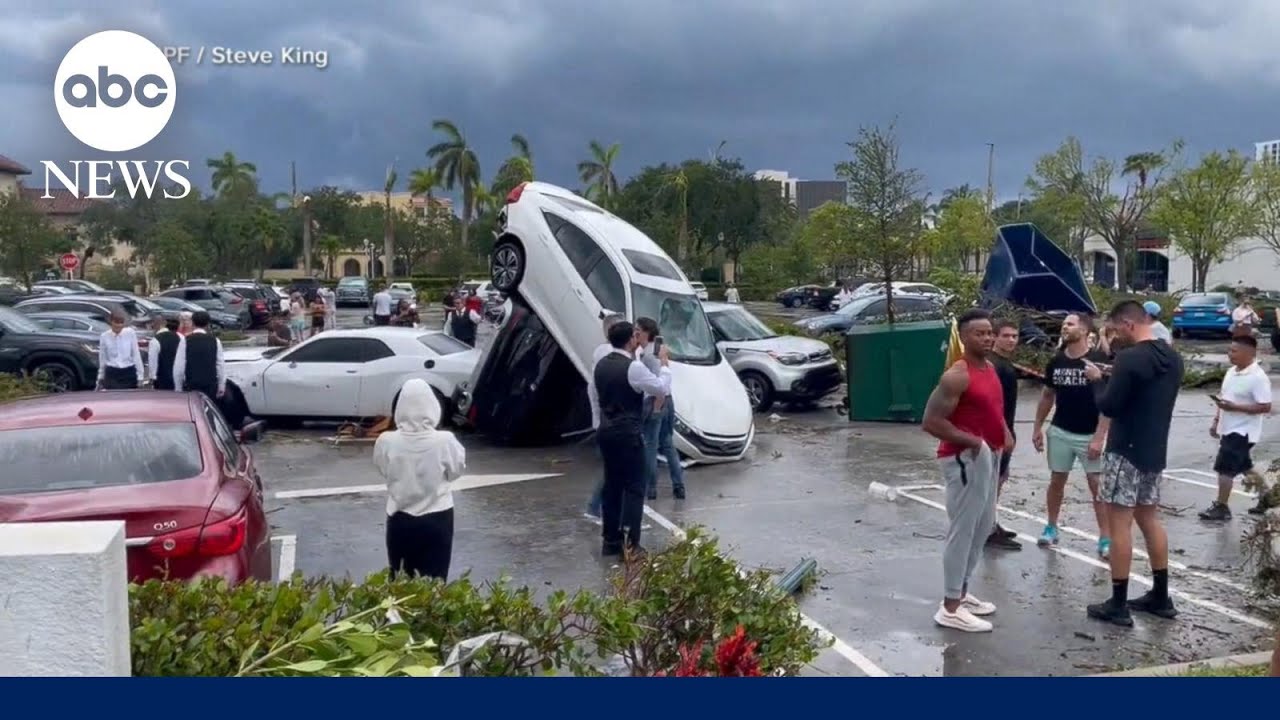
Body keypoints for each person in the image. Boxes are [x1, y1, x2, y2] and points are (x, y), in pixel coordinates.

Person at [1082, 300, 1183, 627]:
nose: (1114, 336)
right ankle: (1160, 594)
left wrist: (1098, 379)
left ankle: (1118, 603)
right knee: (1149, 519)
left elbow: (1109, 405)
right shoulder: (1172, 357)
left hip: (1125, 449)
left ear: (1128, 324)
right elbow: (1146, 391)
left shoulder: (1129, 358)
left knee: (1119, 524)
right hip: (1155, 450)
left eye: (1114, 330)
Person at [921, 308, 1010, 633]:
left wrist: (1004, 434)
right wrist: (973, 442)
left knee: (983, 527)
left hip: (989, 454)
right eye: (979, 333)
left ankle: (961, 590)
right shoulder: (957, 375)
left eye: (989, 332)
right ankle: (949, 607)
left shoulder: (989, 368)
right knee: (963, 531)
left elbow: (992, 408)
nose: (987, 338)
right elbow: (931, 422)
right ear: (964, 337)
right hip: (964, 459)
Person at [1031, 313, 1112, 557]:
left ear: (1086, 330)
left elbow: (1108, 404)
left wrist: (1099, 437)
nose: (1065, 327)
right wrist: (1037, 427)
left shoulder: (1099, 361)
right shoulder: (1056, 361)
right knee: (1057, 480)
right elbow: (1047, 395)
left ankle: (1106, 537)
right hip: (1060, 431)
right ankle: (1051, 527)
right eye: (1064, 324)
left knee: (1097, 485)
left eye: (1070, 324)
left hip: (1089, 433)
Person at [375, 378, 465, 581]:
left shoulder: (386, 441)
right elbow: (456, 471)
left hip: (399, 518)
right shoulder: (445, 441)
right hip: (438, 517)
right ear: (433, 406)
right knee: (436, 581)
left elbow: (383, 468)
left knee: (400, 581)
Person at [595, 320, 671, 557]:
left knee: (612, 485)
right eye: (635, 336)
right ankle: (631, 542)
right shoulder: (633, 368)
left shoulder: (601, 364)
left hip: (606, 430)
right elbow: (661, 389)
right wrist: (665, 364)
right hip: (627, 431)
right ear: (630, 340)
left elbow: (593, 394)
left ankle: (610, 541)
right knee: (635, 487)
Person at [1201, 335, 1273, 520]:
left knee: (1224, 468)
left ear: (1248, 353)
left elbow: (1265, 406)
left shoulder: (1258, 377)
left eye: (1234, 351)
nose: (1229, 354)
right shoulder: (1231, 372)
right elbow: (1224, 397)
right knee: (1244, 466)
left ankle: (1221, 507)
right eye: (1229, 350)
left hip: (1244, 431)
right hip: (1228, 426)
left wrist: (1235, 408)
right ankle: (1269, 497)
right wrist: (1217, 421)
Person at [635, 317, 686, 500]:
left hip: (655, 400)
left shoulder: (647, 356)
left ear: (647, 332)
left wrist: (656, 407)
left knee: (651, 445)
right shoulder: (656, 354)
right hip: (668, 400)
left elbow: (658, 385)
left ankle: (651, 489)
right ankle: (678, 485)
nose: (636, 333)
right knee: (667, 443)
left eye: (638, 330)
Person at [985, 319, 1021, 550]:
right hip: (995, 432)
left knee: (1000, 478)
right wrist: (1006, 433)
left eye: (1014, 336)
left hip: (1006, 426)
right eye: (1006, 336)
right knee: (992, 482)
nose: (1011, 340)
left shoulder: (1005, 364)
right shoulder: (995, 366)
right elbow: (992, 403)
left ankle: (991, 523)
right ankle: (986, 529)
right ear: (995, 337)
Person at [585, 313, 624, 521]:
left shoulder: (601, 352)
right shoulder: (609, 356)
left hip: (604, 420)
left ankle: (597, 507)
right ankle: (597, 507)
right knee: (614, 468)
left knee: (612, 467)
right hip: (610, 422)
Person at [174, 311, 227, 403]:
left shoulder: (185, 341)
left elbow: (179, 366)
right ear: (207, 324)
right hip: (210, 384)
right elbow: (220, 364)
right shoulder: (215, 341)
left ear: (193, 323)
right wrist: (221, 385)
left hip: (192, 384)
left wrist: (178, 388)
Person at [96, 311, 144, 390]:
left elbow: (136, 354)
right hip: (112, 373)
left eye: (121, 323)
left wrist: (140, 376)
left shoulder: (130, 333)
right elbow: (102, 358)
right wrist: (100, 377)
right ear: (111, 322)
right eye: (116, 322)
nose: (119, 325)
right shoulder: (104, 336)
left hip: (128, 372)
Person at [146, 314, 181, 391]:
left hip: (162, 379)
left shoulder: (155, 340)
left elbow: (152, 362)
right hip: (177, 378)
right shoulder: (179, 337)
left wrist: (152, 378)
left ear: (153, 325)